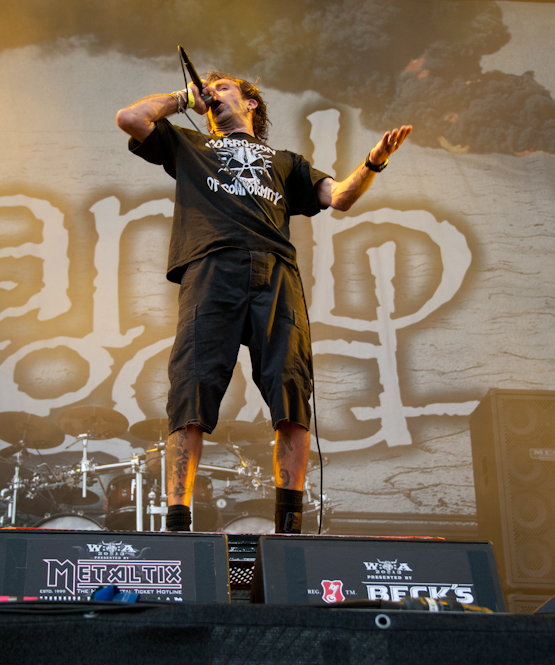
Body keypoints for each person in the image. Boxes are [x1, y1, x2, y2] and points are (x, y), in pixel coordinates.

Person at [116, 72, 411, 533]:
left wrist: (374, 162)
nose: (214, 92)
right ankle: (178, 522)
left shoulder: (286, 162)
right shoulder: (191, 145)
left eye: (224, 87)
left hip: (275, 272)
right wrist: (184, 97)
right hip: (211, 266)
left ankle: (288, 525)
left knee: (290, 387)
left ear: (250, 102)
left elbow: (340, 197)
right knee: (191, 387)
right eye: (209, 89)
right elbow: (131, 118)